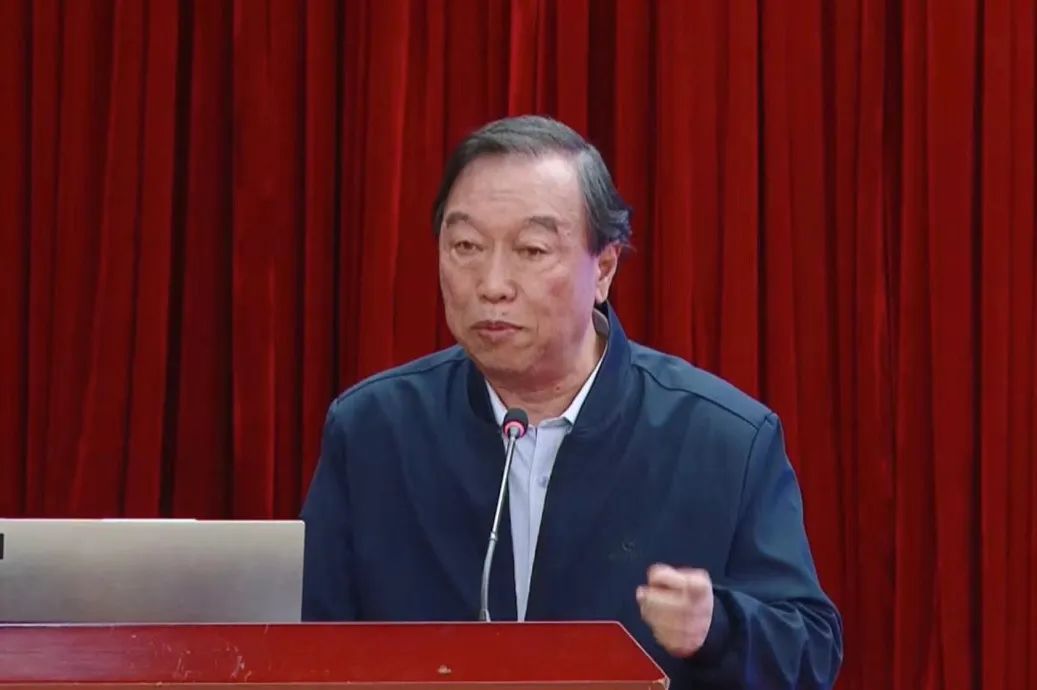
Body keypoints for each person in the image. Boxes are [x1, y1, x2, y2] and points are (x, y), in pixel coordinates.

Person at [299, 115, 843, 689]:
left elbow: (811, 652)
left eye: (531, 250)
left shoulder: (724, 440)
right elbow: (302, 643)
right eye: (466, 247)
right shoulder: (373, 432)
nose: (492, 284)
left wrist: (718, 628)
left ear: (603, 268)